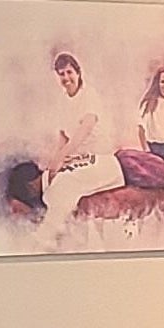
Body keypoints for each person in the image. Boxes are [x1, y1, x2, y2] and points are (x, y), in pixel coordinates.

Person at [42, 50, 121, 212]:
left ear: (78, 73)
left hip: (99, 158)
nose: (66, 78)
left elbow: (82, 132)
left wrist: (60, 159)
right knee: (49, 182)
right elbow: (63, 136)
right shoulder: (62, 100)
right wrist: (56, 162)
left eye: (69, 72)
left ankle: (55, 228)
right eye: (61, 74)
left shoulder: (89, 96)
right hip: (77, 159)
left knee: (64, 186)